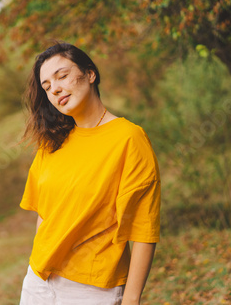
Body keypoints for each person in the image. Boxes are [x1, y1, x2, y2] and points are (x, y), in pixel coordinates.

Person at [18, 42, 161, 305]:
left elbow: (143, 228)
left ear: (90, 74)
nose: (56, 88)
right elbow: (44, 214)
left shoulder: (128, 138)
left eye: (62, 76)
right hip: (38, 282)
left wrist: (131, 300)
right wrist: (38, 270)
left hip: (91, 289)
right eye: (47, 87)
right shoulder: (51, 143)